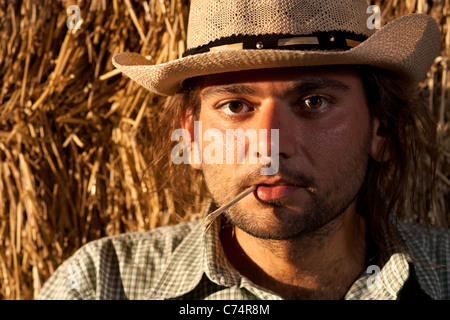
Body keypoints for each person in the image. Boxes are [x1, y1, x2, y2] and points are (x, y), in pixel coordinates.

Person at [38, 0, 449, 300]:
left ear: (382, 129)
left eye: (314, 102)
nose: (270, 148)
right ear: (193, 138)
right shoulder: (99, 284)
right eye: (236, 106)